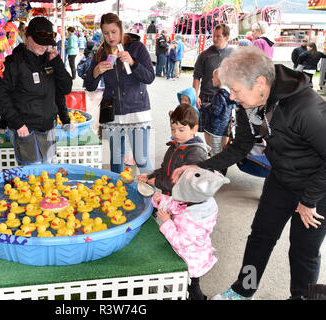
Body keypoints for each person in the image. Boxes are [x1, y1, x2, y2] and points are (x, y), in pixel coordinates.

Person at [172, 46, 326, 300]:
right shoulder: (250, 104)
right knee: (260, 237)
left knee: (304, 250)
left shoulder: (306, 108)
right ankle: (244, 290)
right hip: (281, 178)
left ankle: (302, 297)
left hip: (317, 187)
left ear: (260, 83)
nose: (232, 97)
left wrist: (308, 200)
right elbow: (241, 145)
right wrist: (200, 166)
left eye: (235, 91)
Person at [0, 17, 73, 164]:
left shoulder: (51, 60)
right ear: (27, 37)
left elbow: (64, 89)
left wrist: (57, 63)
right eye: (40, 41)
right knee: (31, 176)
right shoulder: (13, 62)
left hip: (48, 127)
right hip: (25, 129)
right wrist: (17, 123)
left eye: (47, 42)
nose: (44, 46)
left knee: (47, 173)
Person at [84, 12, 155, 174]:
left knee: (141, 158)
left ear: (121, 29)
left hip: (137, 109)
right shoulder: (101, 53)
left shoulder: (136, 47)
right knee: (116, 158)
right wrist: (95, 71)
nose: (110, 37)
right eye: (106, 33)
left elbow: (150, 77)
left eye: (114, 32)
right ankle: (117, 194)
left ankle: (152, 195)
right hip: (112, 111)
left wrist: (133, 62)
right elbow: (89, 85)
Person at [152, 166, 230, 300]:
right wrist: (163, 200)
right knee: (190, 285)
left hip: (191, 258)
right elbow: (178, 205)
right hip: (197, 249)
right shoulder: (201, 201)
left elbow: (180, 241)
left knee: (192, 287)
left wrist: (167, 223)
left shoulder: (193, 220)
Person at [138, 103, 208, 195]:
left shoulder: (196, 153)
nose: (176, 134)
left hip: (184, 204)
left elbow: (183, 182)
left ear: (194, 129)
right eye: (173, 129)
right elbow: (164, 169)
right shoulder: (174, 146)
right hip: (169, 198)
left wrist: (157, 182)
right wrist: (150, 176)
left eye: (181, 130)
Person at [193, 23, 233, 134]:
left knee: (225, 130)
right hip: (207, 97)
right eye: (213, 35)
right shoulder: (204, 55)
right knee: (208, 129)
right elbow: (196, 77)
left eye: (218, 36)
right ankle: (211, 151)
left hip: (227, 97)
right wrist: (195, 95)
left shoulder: (234, 54)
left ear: (226, 37)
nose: (214, 39)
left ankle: (222, 151)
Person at [203, 69, 237, 156]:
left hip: (215, 128)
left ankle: (215, 167)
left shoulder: (219, 95)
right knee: (221, 149)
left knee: (215, 150)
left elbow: (215, 111)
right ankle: (221, 167)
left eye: (213, 77)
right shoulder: (230, 94)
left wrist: (205, 106)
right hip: (224, 127)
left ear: (219, 79)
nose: (212, 79)